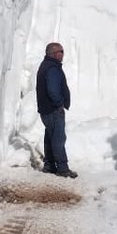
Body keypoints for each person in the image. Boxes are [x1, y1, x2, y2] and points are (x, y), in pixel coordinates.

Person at [36, 42, 77, 178]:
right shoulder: (52, 68)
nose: (63, 54)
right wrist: (59, 103)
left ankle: (49, 165)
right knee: (58, 139)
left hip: (46, 110)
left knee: (50, 137)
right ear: (54, 54)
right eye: (61, 51)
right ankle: (63, 168)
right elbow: (53, 90)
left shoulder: (46, 66)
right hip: (53, 110)